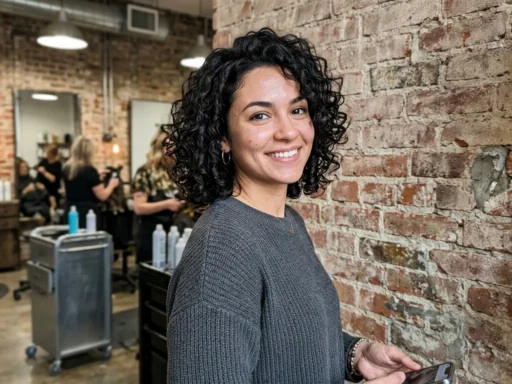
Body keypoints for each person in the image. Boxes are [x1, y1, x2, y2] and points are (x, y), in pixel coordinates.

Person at [164, 29, 422, 384]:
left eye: (297, 109)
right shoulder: (221, 249)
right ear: (222, 137)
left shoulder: (287, 222)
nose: (288, 132)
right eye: (260, 116)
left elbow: (285, 343)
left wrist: (354, 354)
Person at [132, 130, 197, 264]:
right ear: (159, 148)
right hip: (151, 234)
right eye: (170, 147)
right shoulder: (145, 172)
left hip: (174, 233)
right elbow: (139, 208)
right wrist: (167, 204)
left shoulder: (175, 172)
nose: (174, 152)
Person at [62, 135, 119, 229]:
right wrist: (111, 185)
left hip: (70, 211)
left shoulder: (67, 168)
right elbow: (102, 196)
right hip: (87, 214)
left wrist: (96, 176)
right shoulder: (89, 171)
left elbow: (80, 182)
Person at [17, 159, 51, 223]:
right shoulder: (17, 183)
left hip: (39, 204)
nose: (24, 169)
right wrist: (25, 190)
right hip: (27, 206)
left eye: (26, 167)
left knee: (47, 209)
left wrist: (43, 189)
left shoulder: (32, 180)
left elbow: (45, 195)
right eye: (22, 167)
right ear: (18, 169)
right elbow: (18, 199)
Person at [36, 144, 62, 209]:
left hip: (52, 191)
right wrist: (38, 183)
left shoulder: (58, 164)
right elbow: (38, 173)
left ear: (52, 154)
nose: (46, 154)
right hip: (42, 190)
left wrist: (44, 172)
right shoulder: (43, 161)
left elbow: (53, 179)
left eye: (48, 153)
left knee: (52, 208)